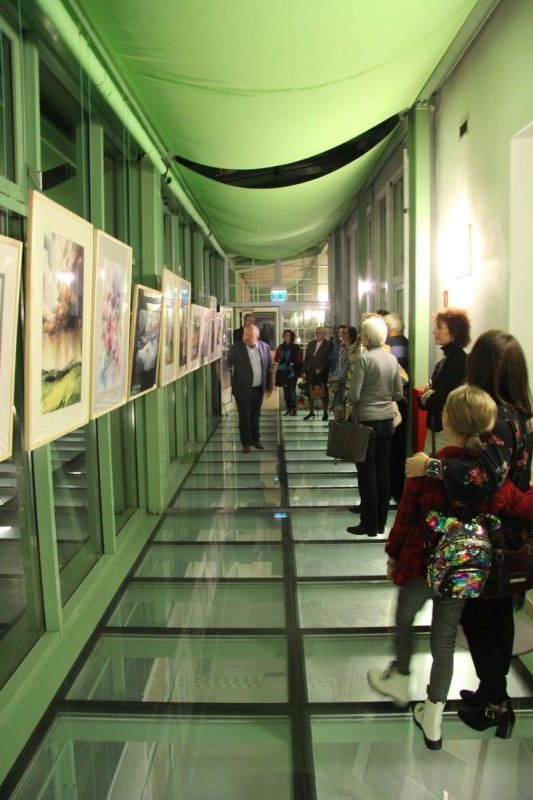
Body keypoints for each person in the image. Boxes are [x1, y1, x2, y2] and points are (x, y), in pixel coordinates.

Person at [406, 330, 533, 738]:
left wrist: (431, 467)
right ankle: (492, 695)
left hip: (488, 539)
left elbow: (484, 478)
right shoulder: (520, 413)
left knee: (481, 621)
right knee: (497, 617)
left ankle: (495, 704)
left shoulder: (498, 417)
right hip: (509, 535)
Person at [346, 316, 403, 537]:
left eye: (362, 333)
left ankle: (368, 524)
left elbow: (354, 395)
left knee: (366, 472)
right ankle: (381, 523)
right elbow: (397, 393)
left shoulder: (364, 359)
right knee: (383, 469)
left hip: (366, 421)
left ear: (367, 337)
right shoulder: (392, 359)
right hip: (387, 420)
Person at [418, 307, 470, 453]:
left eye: (439, 327)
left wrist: (425, 397)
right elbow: (427, 401)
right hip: (439, 428)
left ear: (454, 332)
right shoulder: (446, 361)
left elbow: (436, 400)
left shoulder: (457, 362)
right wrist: (425, 398)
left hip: (446, 432)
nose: (434, 331)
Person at [227, 324, 273, 453]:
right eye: (244, 334)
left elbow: (269, 368)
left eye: (249, 335)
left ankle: (256, 439)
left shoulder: (265, 347)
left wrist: (269, 386)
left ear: (257, 336)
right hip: (242, 389)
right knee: (244, 416)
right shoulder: (236, 348)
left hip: (258, 389)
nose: (245, 338)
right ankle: (246, 443)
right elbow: (227, 365)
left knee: (255, 415)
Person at [385, 313, 409, 502]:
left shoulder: (388, 348)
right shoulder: (408, 344)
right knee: (400, 449)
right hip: (405, 403)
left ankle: (392, 491)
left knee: (390, 451)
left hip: (392, 403)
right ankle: (399, 490)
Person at [302, 327, 333, 421]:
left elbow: (329, 358)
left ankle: (325, 413)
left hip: (321, 372)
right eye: (317, 332)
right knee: (310, 391)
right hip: (310, 370)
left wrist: (321, 368)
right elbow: (306, 358)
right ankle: (311, 412)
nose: (318, 334)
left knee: (323, 392)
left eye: (320, 333)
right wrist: (303, 371)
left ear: (324, 334)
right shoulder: (311, 344)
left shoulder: (329, 344)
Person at [328, 325, 357, 417]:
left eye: (345, 333)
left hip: (346, 381)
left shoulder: (352, 349)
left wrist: (335, 378)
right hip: (339, 381)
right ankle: (339, 420)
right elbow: (339, 365)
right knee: (338, 405)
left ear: (351, 335)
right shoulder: (343, 349)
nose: (342, 335)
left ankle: (343, 421)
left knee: (343, 406)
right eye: (342, 333)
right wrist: (333, 375)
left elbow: (347, 367)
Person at [274, 329, 302, 416]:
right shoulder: (280, 347)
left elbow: (300, 359)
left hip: (292, 372)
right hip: (283, 372)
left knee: (292, 390)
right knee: (285, 391)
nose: (286, 336)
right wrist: (279, 360)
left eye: (288, 335)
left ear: (291, 337)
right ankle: (288, 409)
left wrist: (293, 363)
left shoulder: (295, 347)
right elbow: (276, 358)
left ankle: (294, 409)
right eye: (285, 335)